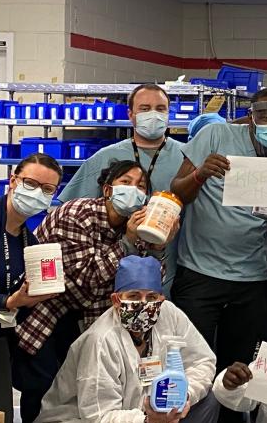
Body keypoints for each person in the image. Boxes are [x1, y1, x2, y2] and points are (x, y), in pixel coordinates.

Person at [169, 86, 267, 423]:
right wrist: (199, 173)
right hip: (200, 272)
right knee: (191, 362)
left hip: (251, 275)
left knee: (238, 367)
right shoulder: (215, 135)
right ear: (250, 116)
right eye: (264, 116)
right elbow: (177, 193)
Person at [13, 159, 175, 423]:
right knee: (44, 393)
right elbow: (79, 281)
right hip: (49, 316)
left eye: (141, 186)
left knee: (81, 396)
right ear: (107, 188)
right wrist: (126, 243)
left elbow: (149, 281)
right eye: (126, 182)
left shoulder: (139, 228)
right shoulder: (76, 213)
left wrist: (157, 247)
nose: (134, 190)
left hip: (92, 322)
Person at [33, 256, 218, 423]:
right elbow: (100, 421)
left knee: (206, 402)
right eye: (133, 295)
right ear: (116, 300)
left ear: (161, 299)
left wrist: (180, 398)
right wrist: (149, 421)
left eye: (151, 296)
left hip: (147, 416)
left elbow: (202, 360)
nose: (144, 305)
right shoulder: (100, 340)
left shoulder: (170, 315)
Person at [57, 84, 185, 294]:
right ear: (130, 115)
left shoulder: (186, 157)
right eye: (145, 108)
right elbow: (71, 210)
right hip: (109, 269)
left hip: (168, 264)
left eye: (160, 109)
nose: (153, 114)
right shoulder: (105, 157)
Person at [0, 154, 62, 423]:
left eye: (47, 189)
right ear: (13, 181)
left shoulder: (30, 243)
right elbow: (8, 298)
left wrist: (35, 297)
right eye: (31, 183)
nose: (38, 192)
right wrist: (8, 300)